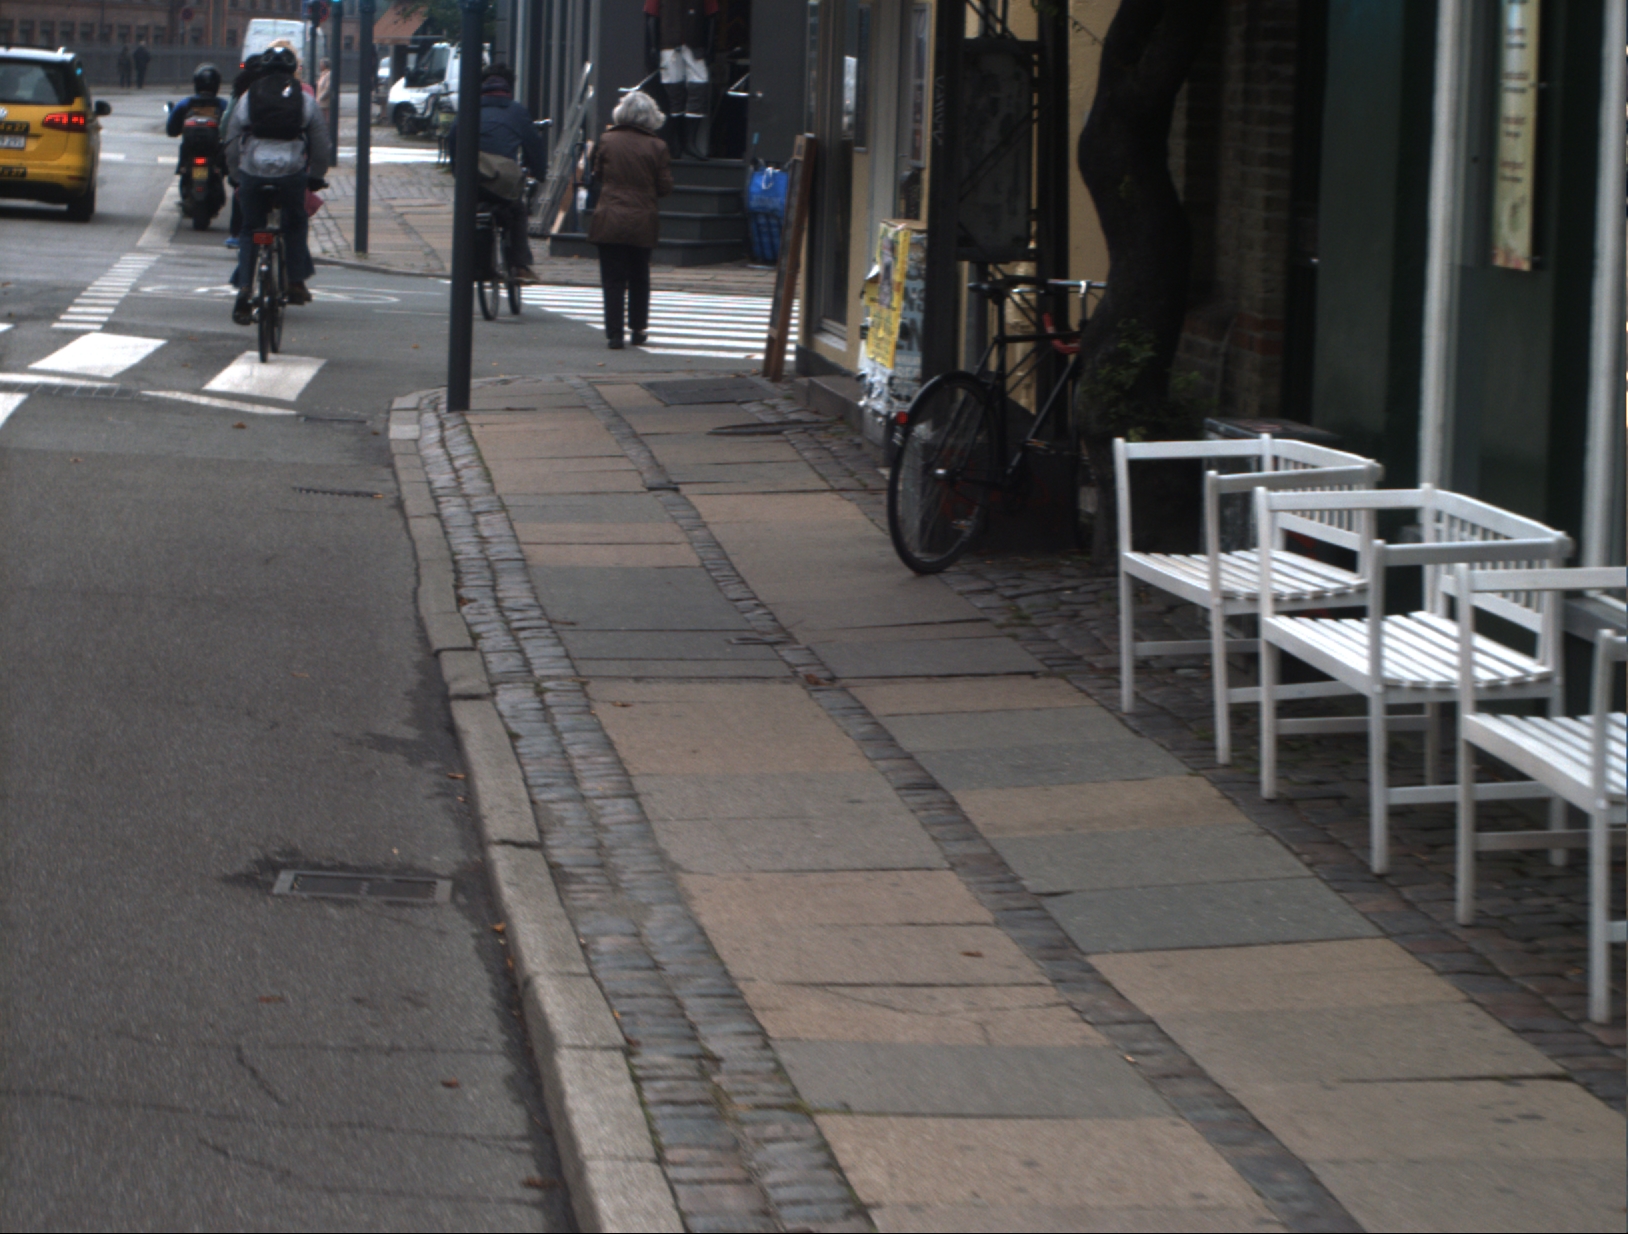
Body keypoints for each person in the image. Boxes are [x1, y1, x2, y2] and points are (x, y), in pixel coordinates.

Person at [223, 46, 332, 321]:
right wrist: (317, 176)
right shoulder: (304, 100)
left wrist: (235, 174)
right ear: (293, 71)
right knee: (295, 223)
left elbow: (232, 139)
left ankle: (244, 288)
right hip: (291, 173)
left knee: (250, 228)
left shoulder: (249, 97)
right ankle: (295, 281)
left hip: (254, 171)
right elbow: (321, 144)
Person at [587, 91, 672, 349]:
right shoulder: (657, 146)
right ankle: (638, 328)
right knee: (639, 275)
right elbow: (664, 186)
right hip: (642, 218)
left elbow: (598, 173)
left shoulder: (607, 140)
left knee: (612, 278)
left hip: (610, 215)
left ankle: (614, 334)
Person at [449, 63, 547, 284]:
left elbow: (453, 138)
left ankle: (473, 264)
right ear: (509, 87)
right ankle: (519, 265)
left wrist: (458, 170)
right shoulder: (517, 111)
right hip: (504, 182)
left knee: (470, 214)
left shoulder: (469, 109)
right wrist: (539, 172)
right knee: (517, 211)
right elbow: (534, 146)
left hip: (474, 180)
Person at [644, 0, 716, 159]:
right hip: (669, 45)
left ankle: (689, 142)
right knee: (674, 93)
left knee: (699, 88)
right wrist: (653, 47)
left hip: (695, 45)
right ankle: (677, 142)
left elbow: (711, 15)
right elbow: (652, 16)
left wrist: (710, 46)